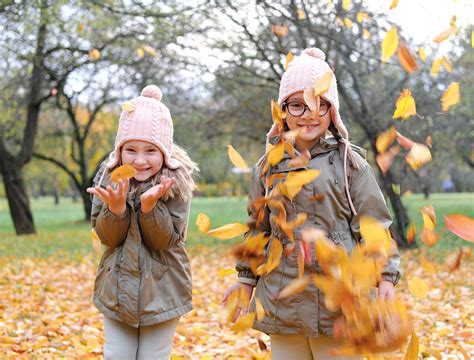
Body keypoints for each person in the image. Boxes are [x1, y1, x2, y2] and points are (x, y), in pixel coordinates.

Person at [223, 48, 401, 360]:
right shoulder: (269, 167)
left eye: (320, 103)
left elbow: (374, 226)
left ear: (332, 109)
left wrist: (385, 275)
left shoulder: (350, 164)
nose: (309, 113)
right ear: (282, 111)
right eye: (298, 105)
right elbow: (257, 230)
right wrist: (244, 280)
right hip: (283, 299)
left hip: (339, 301)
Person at [87, 85, 198, 359]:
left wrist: (150, 208)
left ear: (164, 152)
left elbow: (166, 241)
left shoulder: (175, 184)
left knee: (154, 356)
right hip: (117, 288)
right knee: (117, 354)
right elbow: (108, 239)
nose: (139, 160)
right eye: (131, 150)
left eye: (150, 150)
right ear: (120, 150)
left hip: (162, 288)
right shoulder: (109, 179)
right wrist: (116, 210)